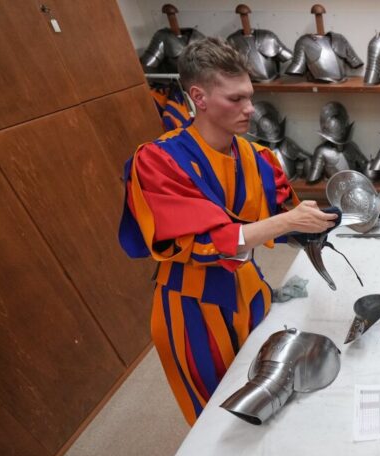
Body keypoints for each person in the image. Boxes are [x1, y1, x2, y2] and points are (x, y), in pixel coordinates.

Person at [119, 38, 337, 425]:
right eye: (235, 100)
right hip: (192, 308)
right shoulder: (157, 161)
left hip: (250, 291)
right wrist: (287, 222)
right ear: (199, 97)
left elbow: (281, 218)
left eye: (250, 97)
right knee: (221, 418)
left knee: (269, 390)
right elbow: (201, 243)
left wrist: (319, 223)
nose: (250, 109)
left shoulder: (258, 158)